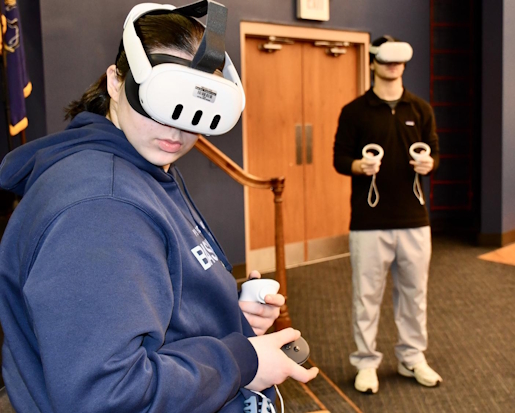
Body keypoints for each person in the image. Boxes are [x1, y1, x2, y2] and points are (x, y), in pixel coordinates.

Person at [0, 2, 318, 412]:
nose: (176, 131)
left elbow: (143, 302)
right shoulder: (100, 208)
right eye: (163, 102)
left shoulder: (145, 163)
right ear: (116, 82)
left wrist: (225, 313)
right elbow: (107, 395)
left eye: (195, 114)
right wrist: (242, 361)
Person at [333, 35, 442, 394]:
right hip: (369, 223)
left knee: (414, 294)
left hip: (414, 221)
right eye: (385, 58)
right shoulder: (354, 111)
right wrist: (359, 166)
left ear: (404, 62)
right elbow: (339, 160)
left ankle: (412, 358)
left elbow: (435, 156)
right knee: (366, 297)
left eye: (398, 58)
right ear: (373, 62)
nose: (392, 64)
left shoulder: (421, 109)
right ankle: (366, 363)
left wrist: (428, 164)